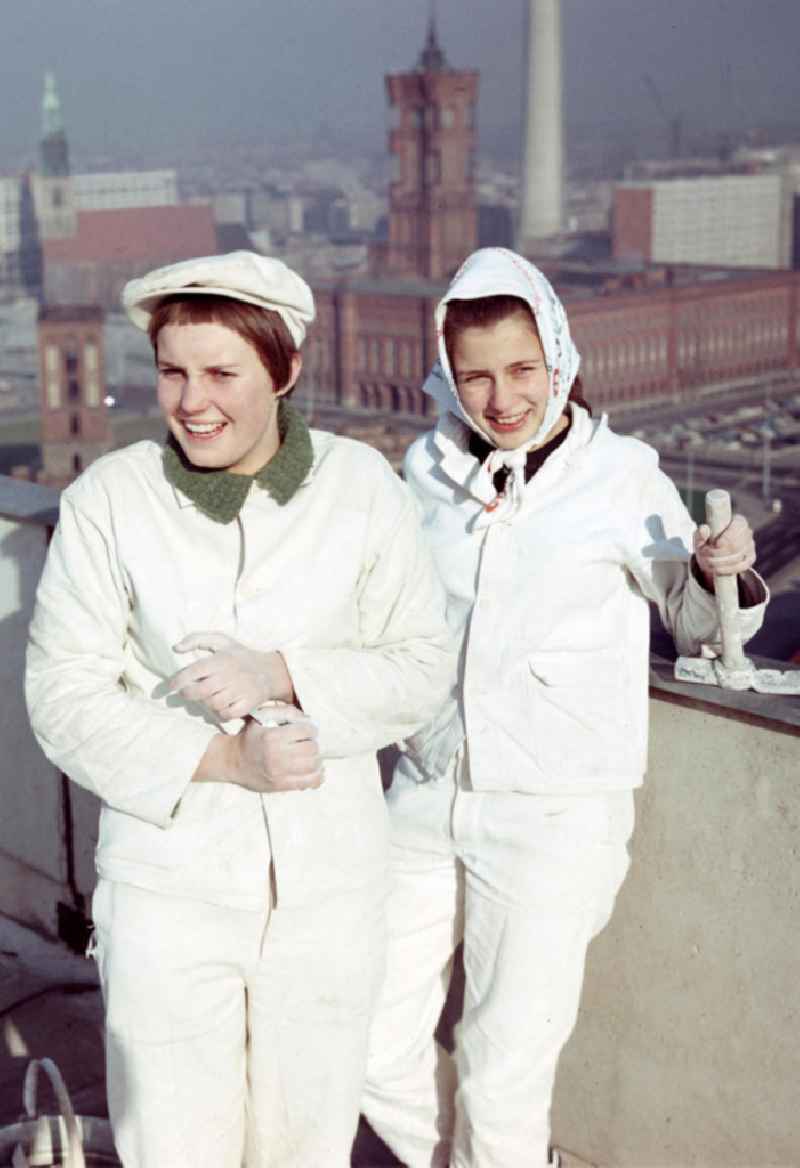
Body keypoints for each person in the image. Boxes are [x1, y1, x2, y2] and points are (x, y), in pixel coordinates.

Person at [25, 250, 453, 1168]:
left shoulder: (362, 490)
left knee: (306, 1145)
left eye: (222, 373)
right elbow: (63, 694)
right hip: (169, 891)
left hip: (328, 893)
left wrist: (283, 673)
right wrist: (222, 763)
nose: (191, 400)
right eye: (174, 371)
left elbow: (421, 666)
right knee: (176, 1146)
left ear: (285, 371)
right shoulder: (110, 501)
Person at [361, 247, 767, 1168]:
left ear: (558, 356)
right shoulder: (422, 470)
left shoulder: (622, 476)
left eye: (521, 370)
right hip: (425, 795)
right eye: (476, 376)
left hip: (555, 813)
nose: (502, 398)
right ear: (446, 373)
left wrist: (717, 569)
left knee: (502, 1071)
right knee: (357, 1032)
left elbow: (696, 624)